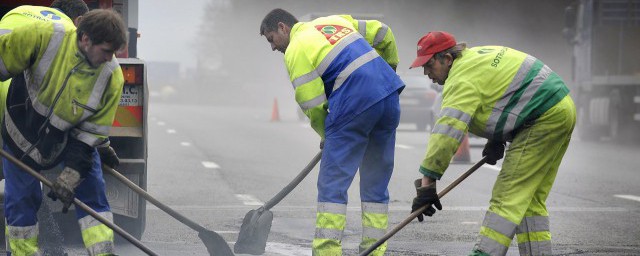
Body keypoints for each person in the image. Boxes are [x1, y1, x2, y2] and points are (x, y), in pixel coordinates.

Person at [409, 31, 576, 256]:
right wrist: (496, 138)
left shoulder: (460, 78)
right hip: (561, 107)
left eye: (429, 65)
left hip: (542, 117)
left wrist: (427, 184)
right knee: (529, 200)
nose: (427, 73)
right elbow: (501, 95)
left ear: (447, 59)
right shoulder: (475, 59)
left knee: (507, 196)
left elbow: (447, 133)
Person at [259, 8, 404, 256]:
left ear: (283, 27)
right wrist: (388, 69)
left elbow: (312, 103)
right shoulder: (332, 22)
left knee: (332, 185)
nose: (273, 48)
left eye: (272, 39)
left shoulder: (296, 49)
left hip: (353, 102)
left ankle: (327, 251)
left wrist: (327, 134)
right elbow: (384, 32)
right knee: (375, 182)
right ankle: (375, 250)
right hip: (389, 97)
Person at [0, 6, 126, 256]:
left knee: (93, 194)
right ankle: (24, 253)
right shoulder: (43, 36)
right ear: (86, 39)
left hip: (68, 138)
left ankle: (103, 253)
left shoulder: (112, 77)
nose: (110, 59)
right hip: (20, 132)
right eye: (106, 51)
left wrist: (71, 175)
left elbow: (89, 137)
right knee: (21, 200)